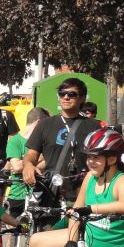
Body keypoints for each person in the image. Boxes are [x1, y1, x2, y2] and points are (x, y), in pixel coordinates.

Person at [22, 77, 103, 205]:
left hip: (84, 192)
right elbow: (32, 154)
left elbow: (102, 158)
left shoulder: (94, 126)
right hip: (51, 192)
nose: (66, 97)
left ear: (82, 98)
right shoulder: (45, 124)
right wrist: (28, 165)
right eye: (62, 93)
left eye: (72, 94)